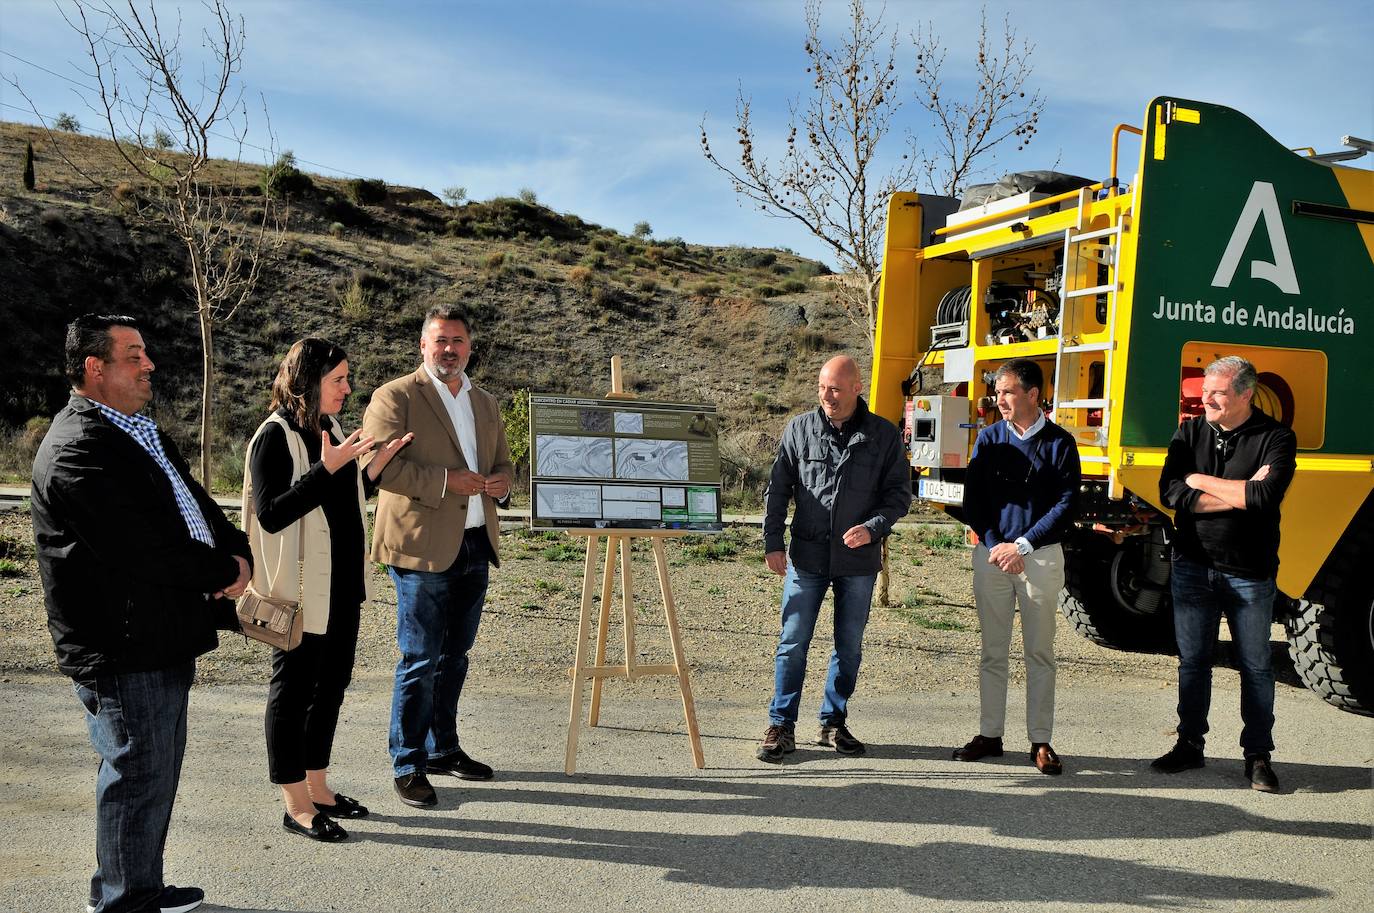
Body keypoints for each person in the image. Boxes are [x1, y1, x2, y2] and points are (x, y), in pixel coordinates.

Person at [32, 314, 252, 913]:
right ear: (94, 369)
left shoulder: (137, 430)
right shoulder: (78, 447)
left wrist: (235, 547)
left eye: (146, 352)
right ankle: (123, 901)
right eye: (134, 355)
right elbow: (141, 547)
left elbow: (195, 502)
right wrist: (222, 573)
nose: (149, 363)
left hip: (156, 633)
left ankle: (138, 886)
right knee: (136, 775)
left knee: (152, 773)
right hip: (121, 643)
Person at [243, 338, 413, 841]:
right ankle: (295, 804)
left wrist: (372, 470)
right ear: (308, 380)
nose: (347, 387)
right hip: (298, 592)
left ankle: (318, 787)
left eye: (347, 378)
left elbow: (340, 498)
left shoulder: (329, 428)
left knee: (331, 688)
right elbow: (272, 514)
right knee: (293, 692)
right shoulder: (274, 436)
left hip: (341, 586)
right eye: (337, 379)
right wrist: (330, 468)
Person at [362, 305, 514, 808]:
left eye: (458, 341)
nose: (449, 349)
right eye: (440, 340)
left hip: (475, 544)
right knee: (420, 658)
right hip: (419, 547)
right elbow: (379, 468)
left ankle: (443, 749)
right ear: (422, 346)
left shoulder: (485, 402)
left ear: (470, 347)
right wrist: (450, 481)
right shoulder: (396, 397)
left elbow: (503, 464)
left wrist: (504, 483)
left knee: (455, 656)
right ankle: (407, 763)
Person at [756, 355, 912, 763]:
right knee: (792, 643)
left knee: (849, 647)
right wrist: (772, 541)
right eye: (823, 387)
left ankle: (832, 722)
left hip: (857, 563)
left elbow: (898, 496)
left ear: (858, 388)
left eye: (837, 389)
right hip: (806, 557)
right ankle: (781, 724)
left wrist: (873, 528)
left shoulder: (883, 435)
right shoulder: (799, 429)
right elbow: (777, 489)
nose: (828, 396)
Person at [1153, 356, 1296, 792]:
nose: (1205, 399)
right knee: (1193, 663)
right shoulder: (1191, 431)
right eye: (1203, 391)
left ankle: (1257, 756)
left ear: (1245, 394)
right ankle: (1189, 745)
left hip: (1249, 574)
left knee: (1255, 666)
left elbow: (1264, 497)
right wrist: (1234, 491)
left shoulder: (1276, 437)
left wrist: (1200, 480)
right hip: (1193, 566)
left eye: (1216, 392)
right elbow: (1171, 492)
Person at [955, 359, 1080, 775]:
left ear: (1032, 394)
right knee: (992, 652)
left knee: (1039, 653)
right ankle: (990, 735)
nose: (999, 399)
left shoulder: (1061, 443)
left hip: (1039, 558)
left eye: (1007, 391)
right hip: (992, 557)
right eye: (998, 392)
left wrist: (1022, 545)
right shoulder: (988, 439)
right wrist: (995, 545)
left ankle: (1040, 741)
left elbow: (1066, 505)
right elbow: (973, 500)